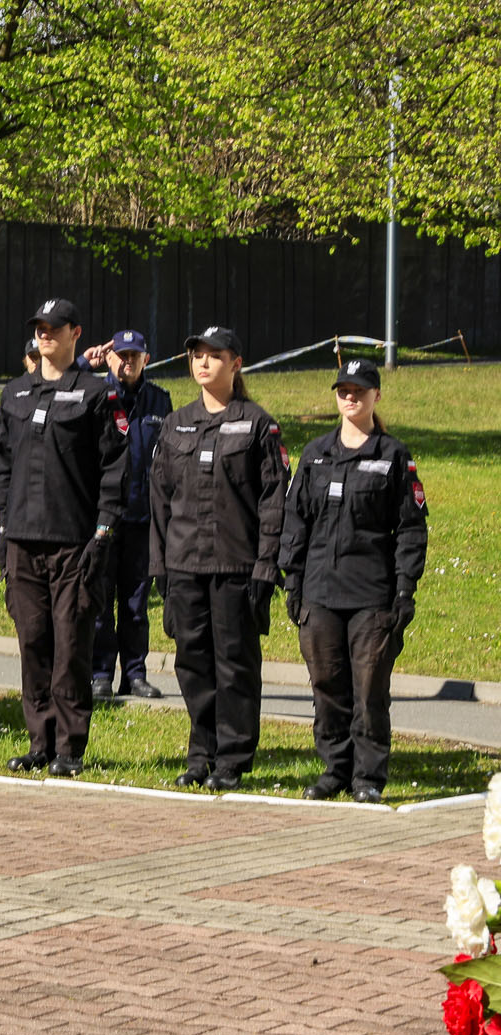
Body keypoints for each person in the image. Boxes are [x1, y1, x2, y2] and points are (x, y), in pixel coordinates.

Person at [280, 357, 426, 802]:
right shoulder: (315, 453)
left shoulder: (392, 456)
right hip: (320, 592)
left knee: (368, 691)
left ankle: (367, 777)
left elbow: (411, 529)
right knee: (326, 686)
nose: (351, 397)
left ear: (375, 396)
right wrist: (292, 579)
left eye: (359, 391)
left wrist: (404, 589)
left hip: (372, 596)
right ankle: (334, 770)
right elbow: (296, 520)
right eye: (344, 390)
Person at [0, 298, 128, 776]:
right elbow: (3, 465)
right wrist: (4, 525)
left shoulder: (95, 394)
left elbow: (114, 469)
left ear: (76, 333)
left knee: (71, 646)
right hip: (24, 541)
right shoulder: (13, 395)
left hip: (74, 542)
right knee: (33, 641)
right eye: (39, 327)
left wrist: (104, 531)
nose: (45, 334)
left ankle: (70, 748)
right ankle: (39, 743)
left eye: (54, 327)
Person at [148, 325, 286, 790]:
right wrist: (159, 567)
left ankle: (233, 757)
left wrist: (267, 566)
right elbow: (159, 502)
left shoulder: (258, 424)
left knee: (235, 665)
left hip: (235, 566)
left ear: (236, 363)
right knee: (192, 663)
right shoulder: (176, 423)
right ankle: (200, 752)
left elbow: (273, 502)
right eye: (197, 356)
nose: (203, 363)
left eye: (214, 355)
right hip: (184, 564)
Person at [87, 331, 171, 700]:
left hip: (142, 517)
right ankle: (101, 673)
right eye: (120, 355)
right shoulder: (95, 397)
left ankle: (135, 674)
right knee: (101, 601)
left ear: (146, 359)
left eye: (134, 355)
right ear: (109, 358)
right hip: (104, 516)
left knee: (136, 604)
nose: (127, 361)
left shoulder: (159, 401)